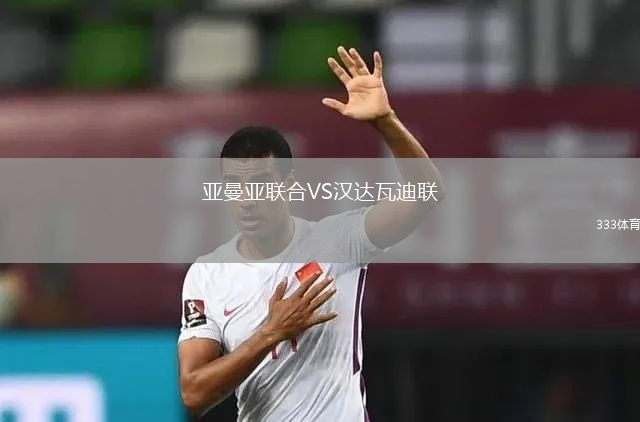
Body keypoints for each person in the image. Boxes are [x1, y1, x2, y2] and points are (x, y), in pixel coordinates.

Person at [177, 46, 445, 421]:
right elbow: (193, 393)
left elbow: (427, 194)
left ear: (288, 184)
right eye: (235, 186)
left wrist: (386, 121)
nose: (248, 199)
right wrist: (270, 332)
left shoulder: (338, 241)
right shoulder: (208, 274)